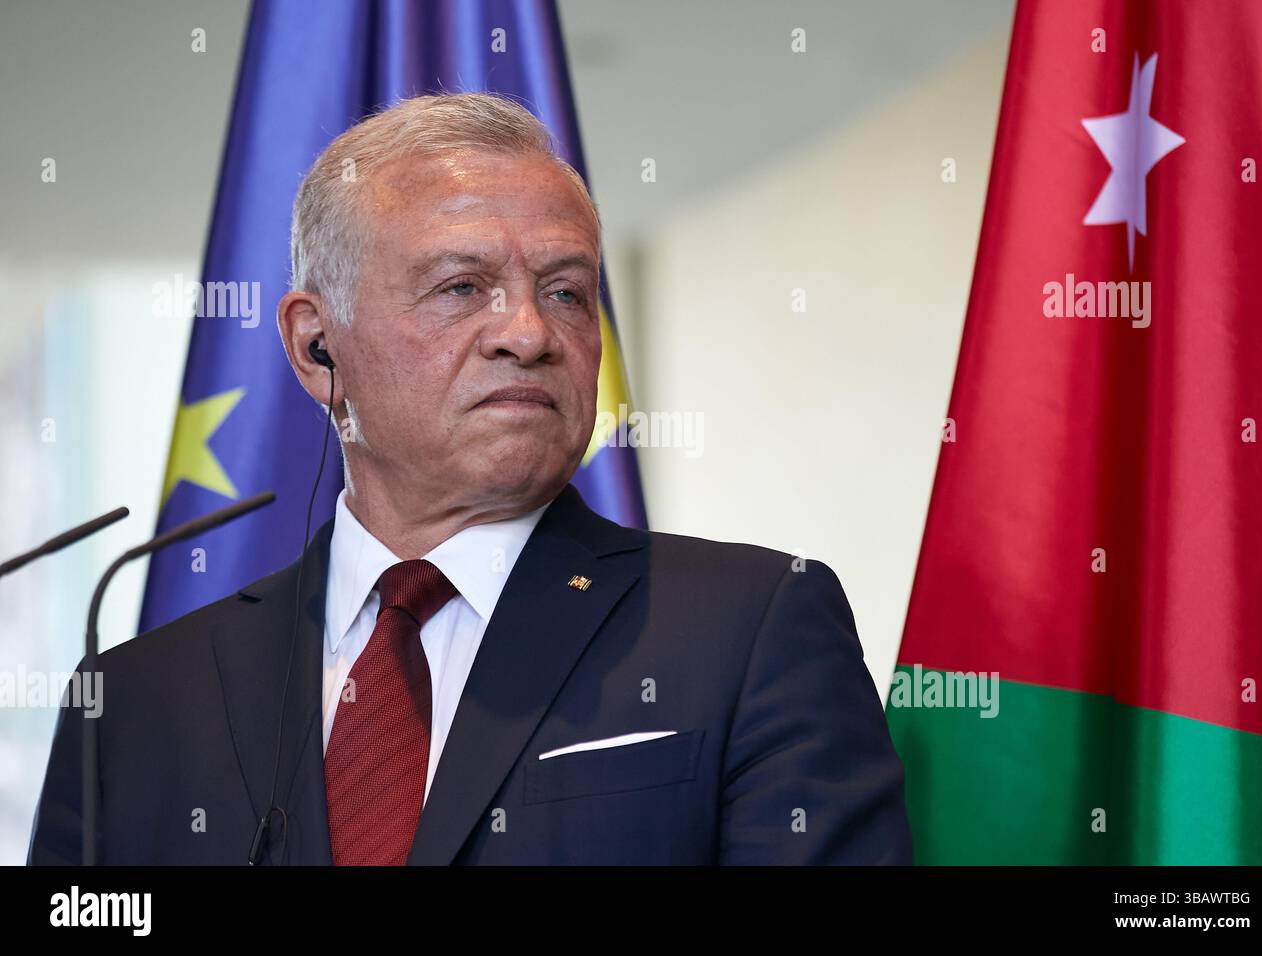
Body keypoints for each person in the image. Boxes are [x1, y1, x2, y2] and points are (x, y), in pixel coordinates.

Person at [28, 93, 911, 865]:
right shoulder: (135, 703)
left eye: (566, 291)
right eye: (461, 287)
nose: (527, 332)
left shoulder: (752, 628)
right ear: (315, 344)